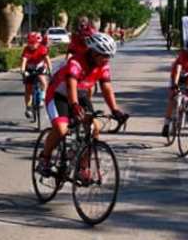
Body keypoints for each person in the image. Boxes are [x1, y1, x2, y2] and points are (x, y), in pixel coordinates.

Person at [37, 32, 127, 174]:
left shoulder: (103, 66)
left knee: (94, 128)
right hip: (58, 95)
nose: (106, 60)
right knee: (61, 129)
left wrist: (115, 110)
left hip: (81, 94)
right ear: (93, 53)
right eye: (104, 56)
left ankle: (82, 167)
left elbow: (106, 88)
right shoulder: (76, 62)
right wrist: (74, 105)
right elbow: (70, 85)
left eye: (109, 56)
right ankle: (44, 158)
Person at [20, 31, 52, 118]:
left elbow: (47, 60)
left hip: (40, 67)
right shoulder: (26, 49)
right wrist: (22, 71)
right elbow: (24, 61)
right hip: (29, 69)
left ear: (38, 43)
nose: (31, 45)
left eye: (33, 43)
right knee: (28, 89)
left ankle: (42, 98)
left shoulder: (42, 48)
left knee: (43, 81)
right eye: (30, 43)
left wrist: (50, 70)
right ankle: (28, 108)